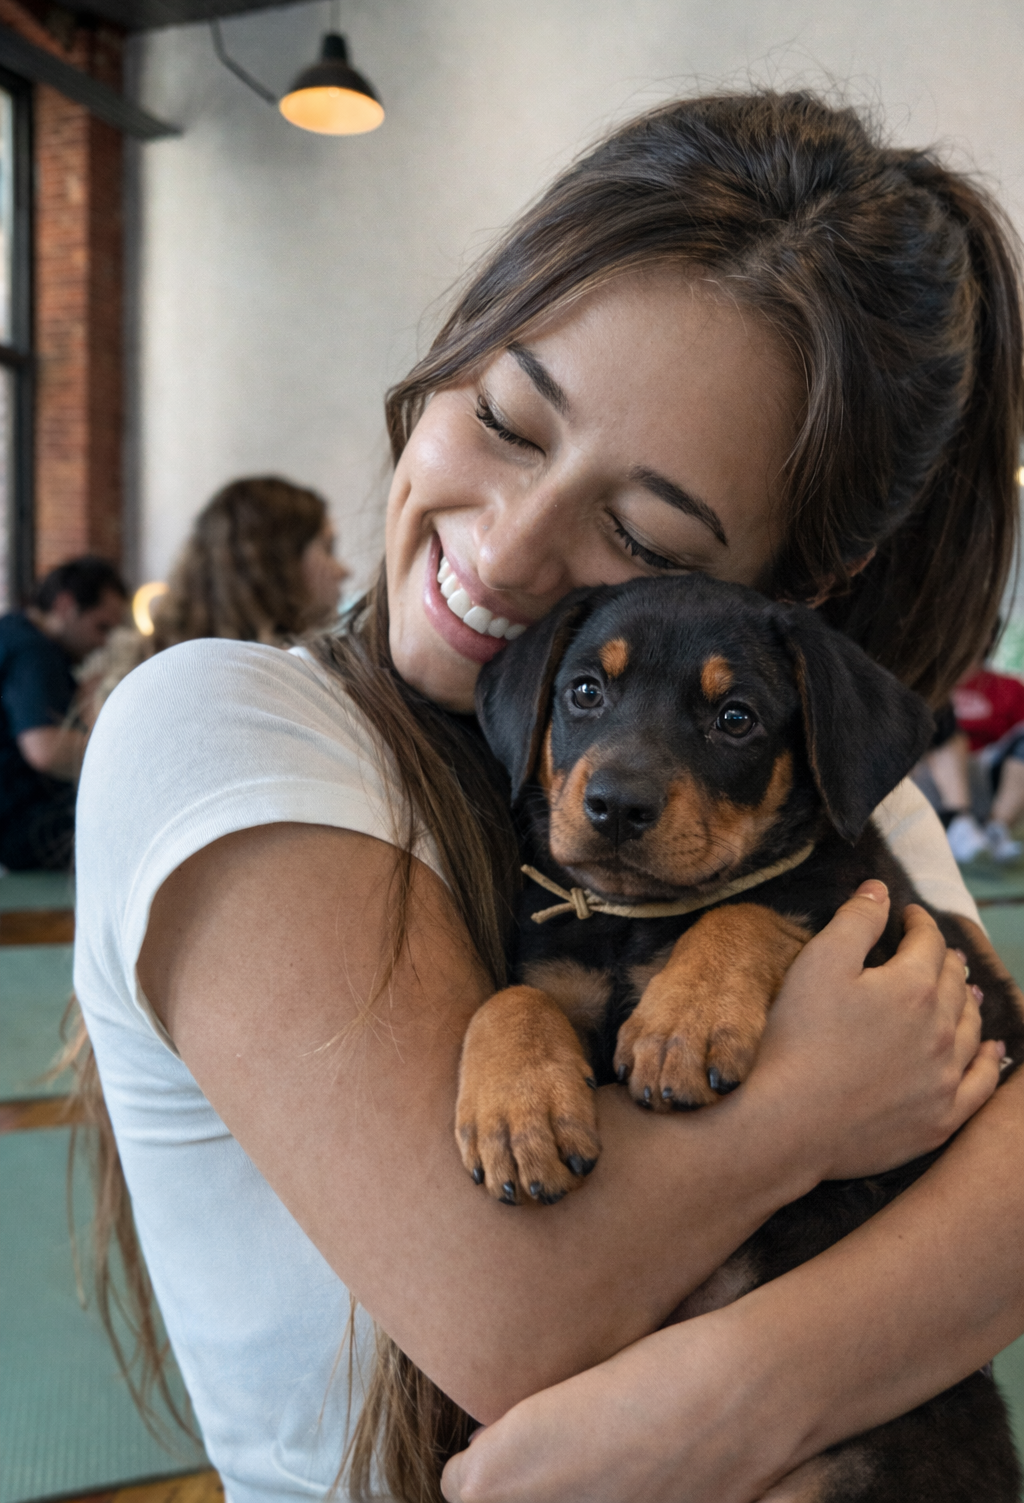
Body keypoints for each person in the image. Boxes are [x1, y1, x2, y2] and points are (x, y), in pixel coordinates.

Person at [72, 92, 1023, 1503]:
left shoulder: (798, 774)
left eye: (639, 536)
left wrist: (721, 1409)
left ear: (776, 598)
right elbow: (504, 1322)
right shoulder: (222, 727)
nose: (510, 555)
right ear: (452, 356)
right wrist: (811, 1109)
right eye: (511, 421)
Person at [78, 475, 351, 721]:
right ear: (277, 564)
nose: (344, 571)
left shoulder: (143, 672)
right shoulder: (277, 685)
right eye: (328, 548)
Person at [0, 556, 126, 871]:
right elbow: (46, 751)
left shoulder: (14, 632)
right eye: (102, 627)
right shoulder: (35, 652)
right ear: (66, 605)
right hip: (22, 828)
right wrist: (128, 758)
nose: (104, 643)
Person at [918, 660, 1024, 866]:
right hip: (937, 765)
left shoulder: (1010, 687)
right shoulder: (931, 681)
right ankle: (960, 822)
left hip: (992, 768)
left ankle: (995, 831)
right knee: (949, 731)